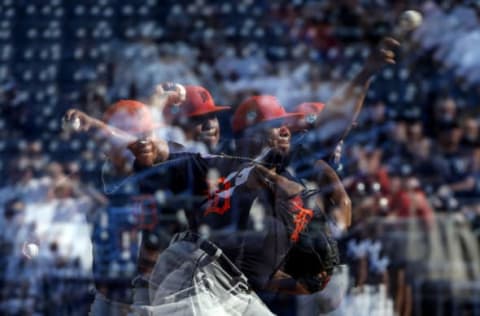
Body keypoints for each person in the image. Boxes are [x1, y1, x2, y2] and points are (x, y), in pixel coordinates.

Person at [63, 100, 172, 315]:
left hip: (148, 279)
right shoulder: (100, 171)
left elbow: (141, 147)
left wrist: (95, 125)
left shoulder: (158, 165)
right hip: (108, 275)